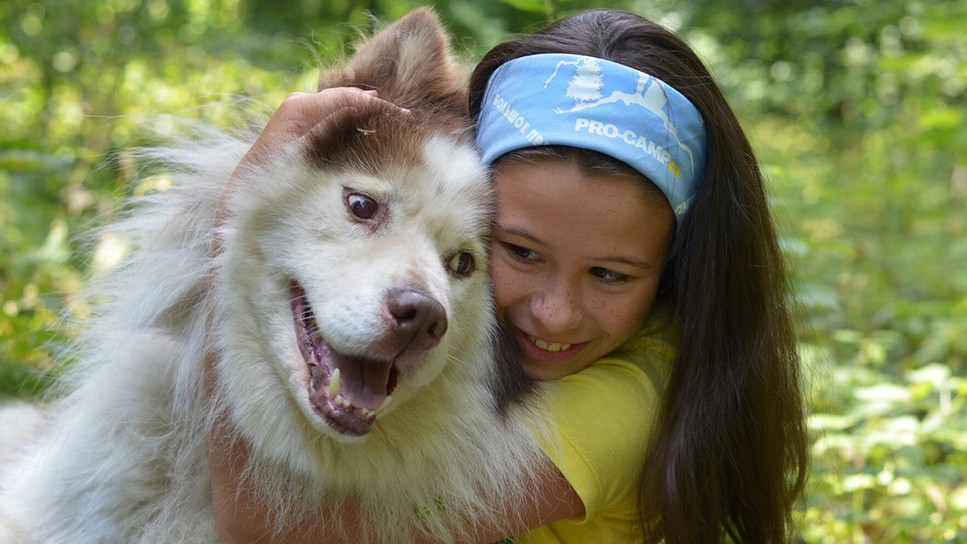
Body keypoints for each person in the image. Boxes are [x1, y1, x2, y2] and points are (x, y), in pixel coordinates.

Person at [208, 8, 808, 543]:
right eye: (521, 252)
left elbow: (258, 528)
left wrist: (230, 228)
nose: (554, 312)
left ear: (673, 267)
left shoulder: (628, 405)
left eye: (609, 274)